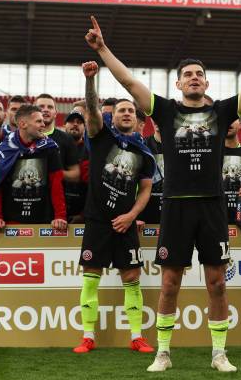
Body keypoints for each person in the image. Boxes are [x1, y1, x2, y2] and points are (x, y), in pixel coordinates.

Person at [84, 14, 241, 372]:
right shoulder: (165, 110)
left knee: (217, 283)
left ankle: (219, 353)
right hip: (175, 208)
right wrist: (103, 48)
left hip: (212, 207)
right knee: (170, 284)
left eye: (198, 74)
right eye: (187, 74)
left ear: (206, 82)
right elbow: (128, 81)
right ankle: (163, 352)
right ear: (178, 83)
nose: (193, 78)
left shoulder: (222, 112)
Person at [74, 61, 156, 355]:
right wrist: (90, 80)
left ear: (137, 119)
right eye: (121, 109)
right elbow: (92, 111)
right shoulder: (100, 136)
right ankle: (87, 337)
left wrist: (132, 216)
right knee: (91, 278)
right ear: (114, 116)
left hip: (126, 223)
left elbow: (146, 189)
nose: (126, 113)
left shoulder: (144, 153)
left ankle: (137, 336)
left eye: (131, 111)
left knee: (132, 280)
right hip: (97, 221)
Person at [0, 105, 67, 229]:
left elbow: (56, 184)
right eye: (38, 121)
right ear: (23, 124)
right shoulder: (5, 150)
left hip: (44, 222)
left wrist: (60, 216)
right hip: (10, 223)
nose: (43, 124)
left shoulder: (50, 148)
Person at [35, 93, 81, 183]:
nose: (45, 110)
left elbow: (76, 175)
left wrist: (54, 172)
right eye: (41, 107)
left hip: (55, 195)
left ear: (55, 113)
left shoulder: (66, 139)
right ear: (33, 112)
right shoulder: (23, 137)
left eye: (50, 107)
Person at [64, 110, 89, 223]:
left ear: (84, 127)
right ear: (65, 125)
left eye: (79, 122)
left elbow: (94, 188)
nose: (75, 124)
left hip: (82, 215)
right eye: (71, 121)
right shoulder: (54, 147)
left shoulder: (90, 151)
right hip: (55, 215)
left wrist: (84, 215)